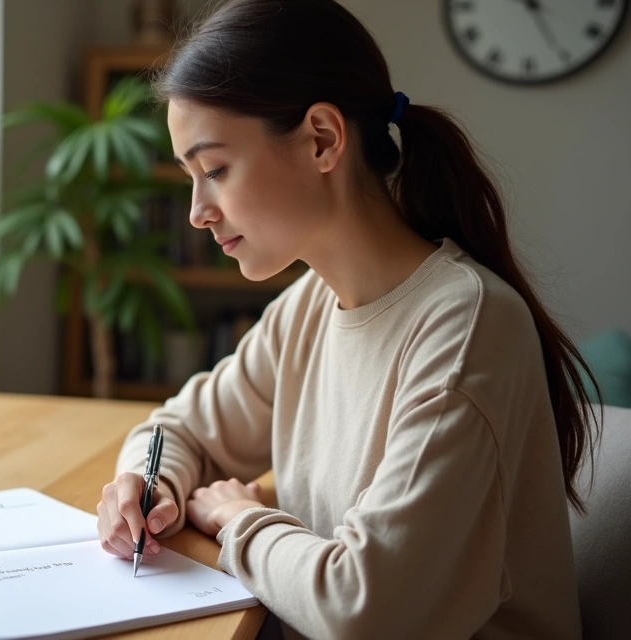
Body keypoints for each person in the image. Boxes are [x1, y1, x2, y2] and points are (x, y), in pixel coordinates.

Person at [95, 1, 603, 637]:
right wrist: (146, 485)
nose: (198, 211)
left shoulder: (465, 327)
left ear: (322, 139)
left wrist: (238, 521)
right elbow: (178, 429)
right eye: (191, 176)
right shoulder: (308, 307)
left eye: (215, 169)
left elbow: (363, 608)